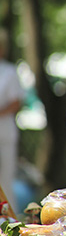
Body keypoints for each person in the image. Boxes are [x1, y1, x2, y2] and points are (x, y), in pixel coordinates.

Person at [0, 28, 23, 216]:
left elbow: (16, 101)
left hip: (4, 132)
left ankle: (9, 222)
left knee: (5, 180)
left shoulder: (9, 71)